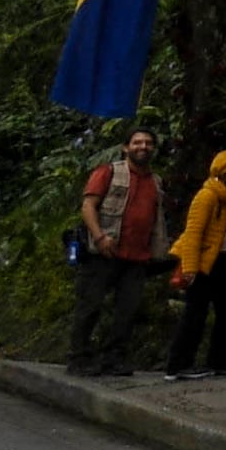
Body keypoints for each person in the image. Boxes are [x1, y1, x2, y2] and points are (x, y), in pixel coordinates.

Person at [69, 131, 166, 377]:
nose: (143, 147)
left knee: (127, 311)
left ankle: (113, 358)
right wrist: (99, 237)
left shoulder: (155, 181)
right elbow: (88, 206)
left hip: (137, 257)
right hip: (104, 253)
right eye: (137, 142)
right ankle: (79, 357)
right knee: (90, 306)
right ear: (126, 148)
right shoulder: (108, 172)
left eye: (148, 143)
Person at [164, 148, 226, 378]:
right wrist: (191, 268)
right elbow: (193, 233)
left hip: (220, 261)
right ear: (222, 172)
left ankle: (220, 360)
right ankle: (178, 365)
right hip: (202, 263)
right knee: (195, 313)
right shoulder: (207, 196)